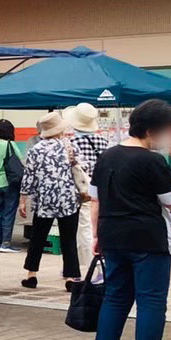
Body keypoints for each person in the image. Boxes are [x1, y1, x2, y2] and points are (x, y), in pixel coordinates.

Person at [89, 99, 171, 340]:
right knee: (151, 301)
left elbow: (96, 200)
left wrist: (96, 235)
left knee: (115, 296)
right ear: (154, 131)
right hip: (148, 239)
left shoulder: (106, 157)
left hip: (112, 235)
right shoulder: (152, 160)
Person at [19, 111, 83, 290]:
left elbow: (28, 177)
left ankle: (31, 275)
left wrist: (23, 200)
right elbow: (80, 169)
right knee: (68, 239)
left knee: (37, 238)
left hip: (44, 200)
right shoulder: (69, 147)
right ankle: (71, 277)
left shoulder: (35, 150)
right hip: (68, 199)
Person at [66, 103, 110, 262]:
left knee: (83, 228)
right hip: (101, 188)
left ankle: (89, 262)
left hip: (81, 190)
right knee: (99, 225)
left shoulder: (70, 143)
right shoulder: (104, 142)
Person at [0, 120, 24, 253]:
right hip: (8, 183)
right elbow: (19, 161)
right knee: (8, 213)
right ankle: (6, 243)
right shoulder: (10, 145)